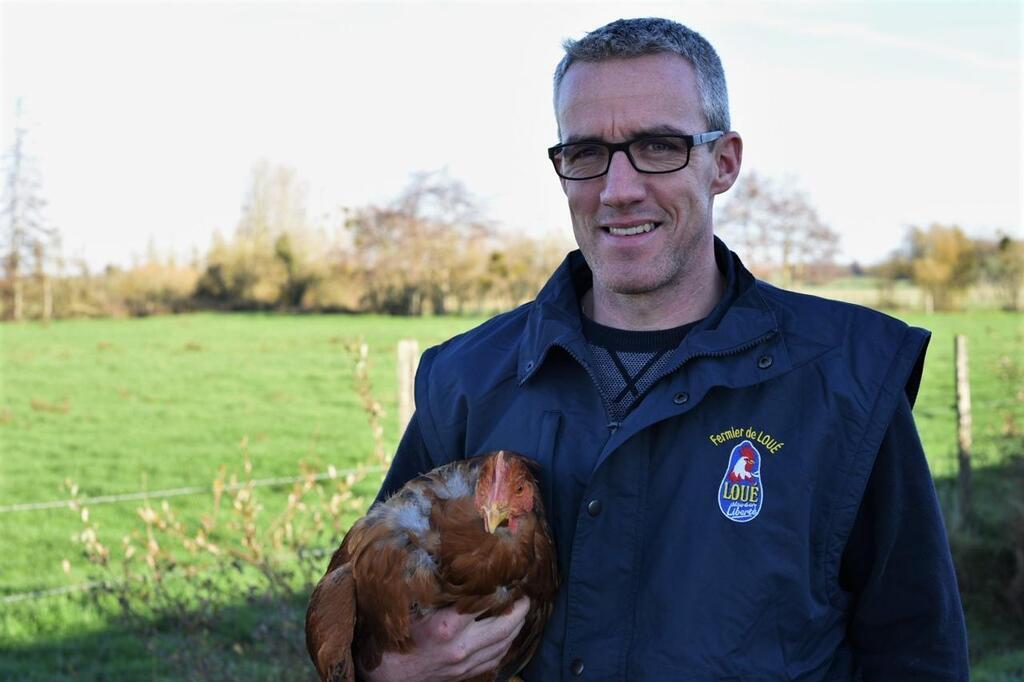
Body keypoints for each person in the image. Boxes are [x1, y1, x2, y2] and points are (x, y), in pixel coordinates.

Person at [362, 17, 970, 681]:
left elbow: (917, 654)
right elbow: (366, 615)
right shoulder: (467, 380)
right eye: (586, 152)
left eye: (657, 147)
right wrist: (391, 670)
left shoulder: (848, 378)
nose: (618, 189)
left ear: (725, 162)